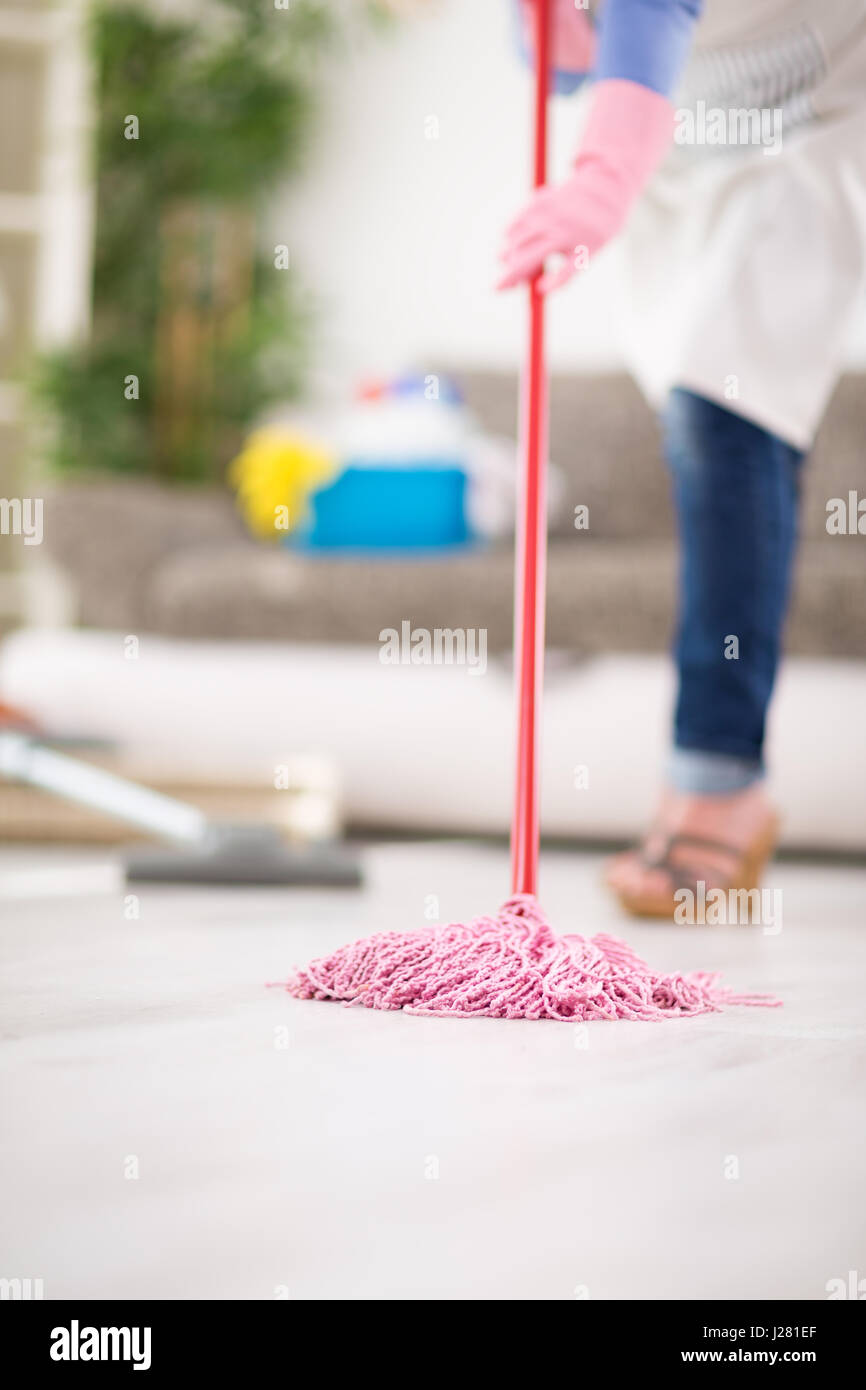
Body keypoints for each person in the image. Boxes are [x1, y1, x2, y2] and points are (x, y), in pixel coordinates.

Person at [498, 0, 866, 916]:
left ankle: (716, 780)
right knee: (721, 414)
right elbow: (577, 63)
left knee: (725, 416)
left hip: (812, 113)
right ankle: (720, 774)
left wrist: (598, 183)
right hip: (688, 139)